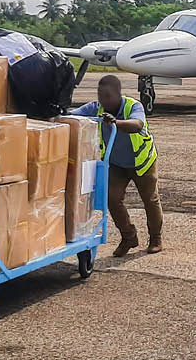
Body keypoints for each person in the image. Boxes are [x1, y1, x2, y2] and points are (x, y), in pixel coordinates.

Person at [70, 75, 163, 256]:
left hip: (142, 162)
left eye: (108, 96)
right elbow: (72, 115)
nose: (104, 100)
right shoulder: (97, 108)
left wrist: (115, 122)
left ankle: (155, 238)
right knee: (111, 198)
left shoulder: (133, 106)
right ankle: (129, 236)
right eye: (100, 96)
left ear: (118, 94)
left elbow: (137, 124)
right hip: (117, 164)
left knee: (150, 200)